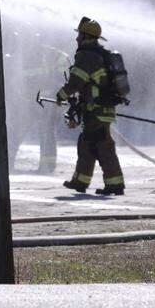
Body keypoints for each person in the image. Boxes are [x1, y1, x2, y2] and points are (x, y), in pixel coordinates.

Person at [56, 17, 126, 195]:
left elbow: (76, 81)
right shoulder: (100, 54)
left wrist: (61, 95)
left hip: (96, 109)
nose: (76, 38)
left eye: (79, 34)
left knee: (102, 146)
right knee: (87, 144)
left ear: (85, 35)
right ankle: (80, 181)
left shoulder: (87, 55)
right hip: (99, 108)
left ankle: (115, 184)